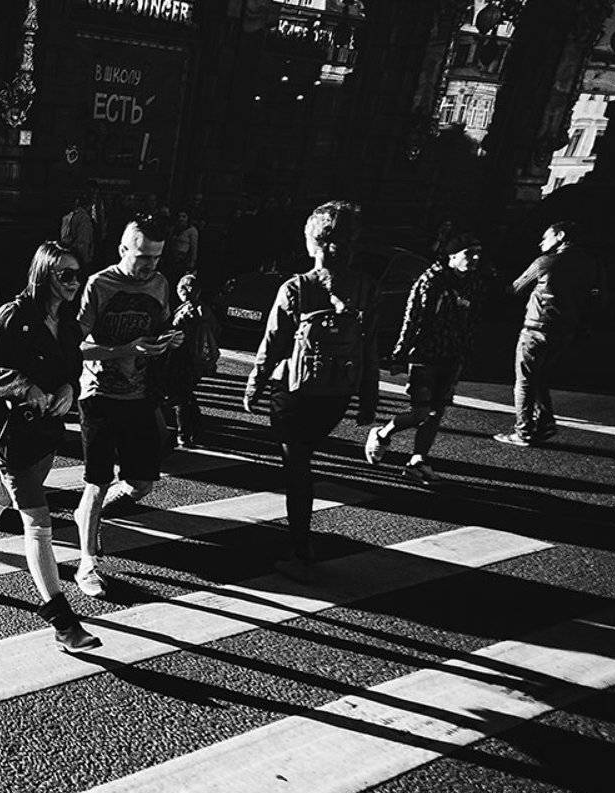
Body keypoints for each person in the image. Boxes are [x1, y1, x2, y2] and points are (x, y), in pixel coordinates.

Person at [0, 242, 100, 652]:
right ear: (44, 274)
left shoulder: (65, 323)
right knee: (37, 520)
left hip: (45, 431)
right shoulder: (13, 314)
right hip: (8, 430)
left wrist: (68, 387)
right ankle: (63, 622)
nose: (73, 282)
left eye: (77, 274)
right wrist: (24, 386)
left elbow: (74, 370)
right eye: (65, 274)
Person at [244, 201, 378, 583]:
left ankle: (301, 550)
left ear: (312, 243)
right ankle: (300, 544)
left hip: (293, 391)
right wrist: (368, 399)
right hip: (337, 392)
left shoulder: (296, 287)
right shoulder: (366, 287)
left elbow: (273, 343)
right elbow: (369, 349)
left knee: (297, 468)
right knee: (305, 459)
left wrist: (255, 384)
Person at [72, 217, 181, 598]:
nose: (150, 265)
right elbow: (77, 345)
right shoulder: (99, 285)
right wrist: (125, 349)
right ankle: (87, 563)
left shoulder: (160, 283)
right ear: (122, 250)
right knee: (96, 483)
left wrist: (169, 340)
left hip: (140, 394)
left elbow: (159, 327)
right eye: (142, 256)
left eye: (156, 257)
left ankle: (88, 514)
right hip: (98, 394)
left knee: (141, 484)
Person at [365, 233, 488, 482]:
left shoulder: (473, 282)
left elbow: (472, 320)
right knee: (420, 412)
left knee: (437, 412)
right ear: (452, 256)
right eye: (468, 253)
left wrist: (467, 351)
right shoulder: (431, 280)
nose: (475, 258)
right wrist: (400, 352)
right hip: (426, 354)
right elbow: (412, 318)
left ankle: (417, 460)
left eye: (478, 253)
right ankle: (382, 434)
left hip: (452, 356)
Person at [494, 221, 606, 447]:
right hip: (565, 330)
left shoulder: (546, 262)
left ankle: (523, 431)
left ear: (561, 236)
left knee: (524, 381)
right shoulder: (590, 264)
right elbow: (595, 298)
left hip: (537, 327)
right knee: (540, 376)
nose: (541, 241)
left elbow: (516, 288)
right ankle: (545, 423)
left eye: (547, 236)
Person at [163, 272, 220, 449]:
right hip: (199, 361)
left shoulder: (185, 311)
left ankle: (185, 434)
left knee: (180, 396)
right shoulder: (206, 310)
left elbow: (176, 333)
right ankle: (197, 430)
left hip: (183, 359)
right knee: (186, 394)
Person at [59, 193, 96, 269]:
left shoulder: (78, 216)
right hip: (74, 257)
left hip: (74, 257)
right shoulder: (77, 217)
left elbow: (81, 242)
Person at [163, 209, 198, 279]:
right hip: (172, 259)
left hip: (183, 260)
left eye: (184, 216)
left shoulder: (192, 231)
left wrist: (191, 263)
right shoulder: (173, 229)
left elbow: (194, 248)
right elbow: (168, 244)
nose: (181, 219)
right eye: (179, 216)